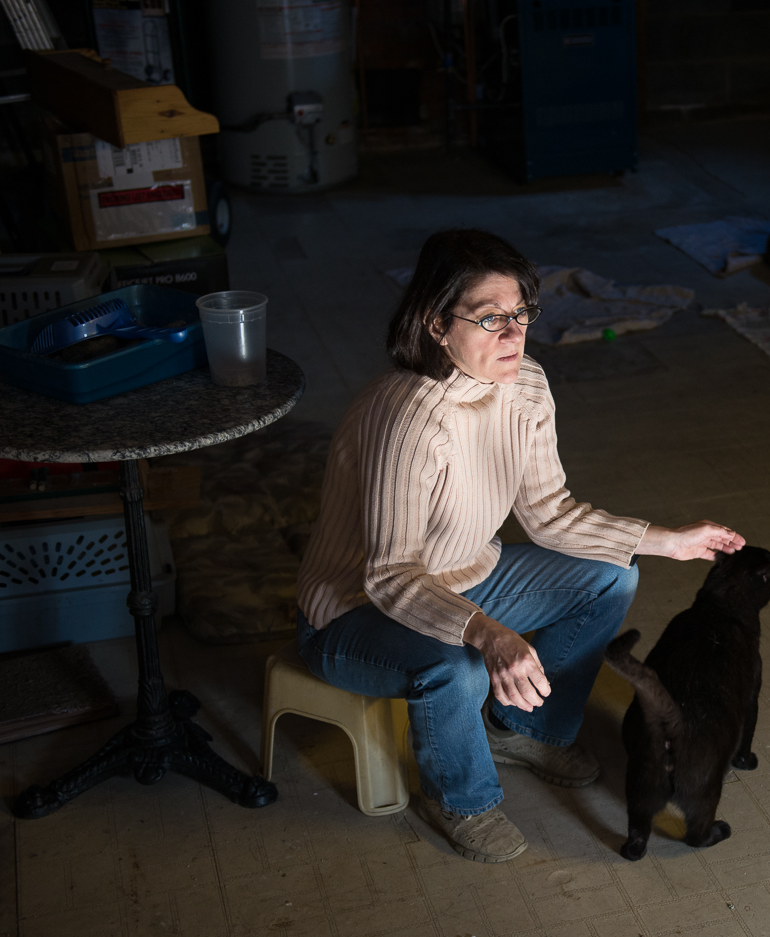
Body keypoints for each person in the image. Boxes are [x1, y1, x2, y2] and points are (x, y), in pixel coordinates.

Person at [295, 229, 743, 863]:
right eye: (491, 319)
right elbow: (392, 575)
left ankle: (525, 729)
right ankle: (459, 799)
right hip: (354, 611)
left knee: (610, 576)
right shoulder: (409, 420)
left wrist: (666, 540)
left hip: (463, 577)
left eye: (522, 314)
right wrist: (489, 634)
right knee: (456, 666)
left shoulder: (526, 385)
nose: (515, 335)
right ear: (435, 324)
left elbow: (550, 513)